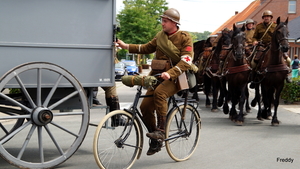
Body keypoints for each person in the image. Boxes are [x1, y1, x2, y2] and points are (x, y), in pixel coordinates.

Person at [116, 8, 194, 156]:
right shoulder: (160, 36)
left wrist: (169, 73)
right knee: (145, 107)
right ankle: (155, 139)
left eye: (165, 21)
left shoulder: (185, 37)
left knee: (160, 93)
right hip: (157, 76)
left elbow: (187, 61)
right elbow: (146, 48)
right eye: (162, 21)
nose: (162, 24)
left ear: (174, 23)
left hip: (176, 77)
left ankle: (161, 131)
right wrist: (126, 46)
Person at [250, 10, 291, 86]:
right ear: (263, 18)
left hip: (274, 46)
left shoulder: (275, 26)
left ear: (271, 18)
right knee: (253, 62)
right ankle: (254, 78)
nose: (266, 18)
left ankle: (286, 76)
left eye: (268, 16)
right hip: (262, 46)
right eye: (265, 17)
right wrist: (255, 41)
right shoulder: (259, 26)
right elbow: (254, 37)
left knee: (288, 60)